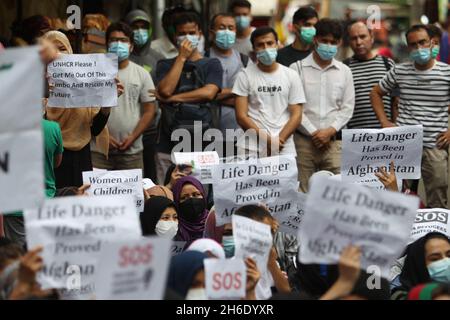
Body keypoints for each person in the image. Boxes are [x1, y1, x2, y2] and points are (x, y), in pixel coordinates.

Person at [371, 24, 450, 208]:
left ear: (432, 43)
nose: (418, 48)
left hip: (435, 146)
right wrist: (384, 121)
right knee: (397, 196)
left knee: (438, 199)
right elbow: (375, 93)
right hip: (403, 145)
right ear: (408, 47)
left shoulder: (447, 73)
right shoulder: (400, 71)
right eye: (413, 44)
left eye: (422, 42)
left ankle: (436, 236)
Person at [40, 31, 115, 188]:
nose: (58, 54)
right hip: (49, 159)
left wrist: (107, 102)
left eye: (62, 49)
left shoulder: (84, 86)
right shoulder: (35, 87)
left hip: (80, 158)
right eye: (52, 50)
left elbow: (95, 129)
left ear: (70, 52)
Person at [153, 12, 223, 180]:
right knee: (169, 190)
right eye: (182, 33)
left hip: (204, 142)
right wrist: (182, 57)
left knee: (202, 192)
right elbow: (165, 91)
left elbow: (209, 92)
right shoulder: (164, 64)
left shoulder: (211, 64)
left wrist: (172, 99)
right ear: (175, 37)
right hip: (168, 143)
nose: (187, 37)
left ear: (199, 34)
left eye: (191, 33)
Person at [290, 18, 355, 192]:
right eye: (324, 41)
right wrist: (315, 133)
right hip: (303, 143)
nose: (328, 45)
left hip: (334, 144)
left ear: (340, 43)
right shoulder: (296, 68)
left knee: (340, 193)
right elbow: (294, 107)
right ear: (315, 40)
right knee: (301, 194)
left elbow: (348, 108)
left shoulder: (345, 71)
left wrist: (329, 131)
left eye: (333, 42)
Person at [91, 22, 156, 171]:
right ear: (107, 44)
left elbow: (149, 110)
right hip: (98, 151)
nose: (118, 44)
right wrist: (103, 135)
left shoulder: (142, 74)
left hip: (131, 152)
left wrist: (133, 137)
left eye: (124, 40)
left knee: (133, 194)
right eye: (114, 40)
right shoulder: (94, 72)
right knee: (97, 193)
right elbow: (86, 109)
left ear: (131, 46)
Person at [232, 27, 304, 158]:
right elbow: (241, 116)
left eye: (270, 43)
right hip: (251, 147)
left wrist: (278, 141)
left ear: (277, 45)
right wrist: (269, 141)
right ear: (254, 49)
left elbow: (297, 115)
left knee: (284, 179)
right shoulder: (244, 75)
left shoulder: (291, 75)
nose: (266, 48)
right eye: (260, 45)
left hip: (284, 146)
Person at [125, 9, 165, 182]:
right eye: (135, 26)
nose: (139, 31)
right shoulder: (117, 58)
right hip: (123, 130)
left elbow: (165, 92)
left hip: (151, 130)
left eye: (144, 27)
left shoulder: (158, 58)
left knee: (150, 176)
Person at [207, 13, 250, 158]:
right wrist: (238, 93)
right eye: (222, 27)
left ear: (235, 32)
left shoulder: (244, 60)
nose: (226, 31)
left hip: (238, 135)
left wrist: (213, 95)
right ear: (212, 32)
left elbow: (250, 98)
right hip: (207, 136)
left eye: (230, 28)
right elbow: (200, 95)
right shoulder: (202, 58)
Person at [345, 21, 395, 129]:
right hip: (356, 137)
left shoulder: (387, 64)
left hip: (386, 134)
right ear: (349, 41)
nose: (358, 42)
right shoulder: (344, 68)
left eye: (363, 36)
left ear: (371, 37)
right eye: (354, 38)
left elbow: (396, 100)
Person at [234, 205, 291, 300]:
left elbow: (286, 293)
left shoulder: (272, 263)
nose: (266, 238)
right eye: (259, 232)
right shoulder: (232, 269)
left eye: (270, 231)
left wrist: (271, 263)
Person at [391, 232, 450, 300]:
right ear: (418, 264)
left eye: (449, 256)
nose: (446, 261)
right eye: (435, 259)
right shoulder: (399, 296)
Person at [172, 176, 208, 244]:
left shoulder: (213, 221)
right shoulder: (173, 229)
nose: (191, 200)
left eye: (196, 194)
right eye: (184, 197)